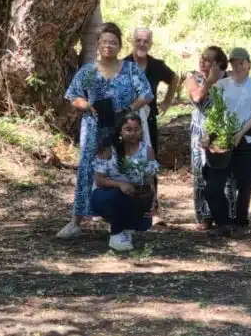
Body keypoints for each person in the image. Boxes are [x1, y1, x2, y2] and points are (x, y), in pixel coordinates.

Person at [58, 23, 153, 239]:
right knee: (87, 169)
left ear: (119, 45)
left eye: (113, 42)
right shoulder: (90, 71)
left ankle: (124, 219)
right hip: (94, 126)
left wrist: (129, 110)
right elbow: (73, 95)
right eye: (104, 42)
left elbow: (146, 94)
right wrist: (89, 107)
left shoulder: (129, 69)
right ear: (98, 44)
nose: (108, 46)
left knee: (126, 168)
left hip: (124, 128)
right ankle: (77, 220)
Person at [200, 47, 251, 237]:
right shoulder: (221, 84)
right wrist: (208, 133)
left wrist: (240, 133)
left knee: (246, 181)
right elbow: (214, 112)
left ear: (248, 64)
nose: (238, 66)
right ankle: (222, 221)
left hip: (246, 135)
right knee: (213, 184)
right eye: (234, 62)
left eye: (242, 62)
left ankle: (240, 222)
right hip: (221, 135)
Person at [90, 112, 160, 252]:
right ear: (120, 131)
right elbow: (99, 180)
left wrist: (153, 200)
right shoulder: (108, 149)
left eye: (136, 129)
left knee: (145, 222)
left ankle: (126, 228)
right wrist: (120, 184)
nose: (133, 133)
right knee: (118, 197)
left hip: (134, 194)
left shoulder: (147, 151)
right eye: (128, 129)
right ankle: (117, 232)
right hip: (106, 195)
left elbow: (149, 180)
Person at [183, 45, 227, 229]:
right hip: (201, 131)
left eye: (208, 59)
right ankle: (204, 215)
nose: (202, 61)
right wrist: (209, 81)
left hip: (223, 130)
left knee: (225, 175)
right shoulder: (193, 77)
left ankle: (226, 215)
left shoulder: (229, 78)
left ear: (218, 63)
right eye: (202, 57)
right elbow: (196, 98)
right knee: (201, 173)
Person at [124, 26, 179, 155]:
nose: (142, 44)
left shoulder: (156, 65)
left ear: (150, 44)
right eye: (138, 40)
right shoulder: (123, 65)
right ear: (132, 42)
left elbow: (174, 78)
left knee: (150, 158)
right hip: (127, 121)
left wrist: (167, 102)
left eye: (146, 41)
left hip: (149, 120)